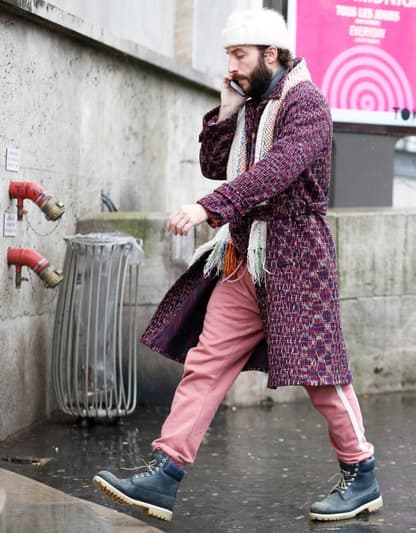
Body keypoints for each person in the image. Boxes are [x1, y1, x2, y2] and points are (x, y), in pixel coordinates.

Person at [92, 8, 382, 523]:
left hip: (297, 258)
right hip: (245, 256)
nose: (232, 66)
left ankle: (361, 476)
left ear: (271, 53)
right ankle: (165, 474)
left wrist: (209, 207)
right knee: (206, 362)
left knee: (322, 375)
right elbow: (213, 164)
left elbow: (278, 169)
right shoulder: (252, 104)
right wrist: (226, 111)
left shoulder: (307, 103)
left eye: (239, 55)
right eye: (229, 55)